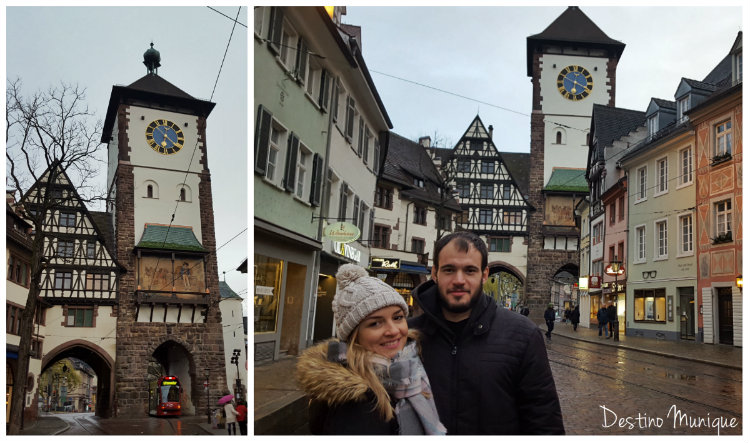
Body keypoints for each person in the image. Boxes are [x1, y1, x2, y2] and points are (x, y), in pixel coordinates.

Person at [409, 231, 564, 434]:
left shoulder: (524, 336)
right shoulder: (405, 336)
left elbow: (544, 422)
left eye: (470, 270)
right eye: (449, 270)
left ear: (484, 275)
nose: (459, 280)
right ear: (435, 273)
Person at [296, 264, 446, 435]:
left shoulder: (401, 373)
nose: (393, 331)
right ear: (354, 335)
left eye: (397, 317)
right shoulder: (358, 402)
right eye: (375, 323)